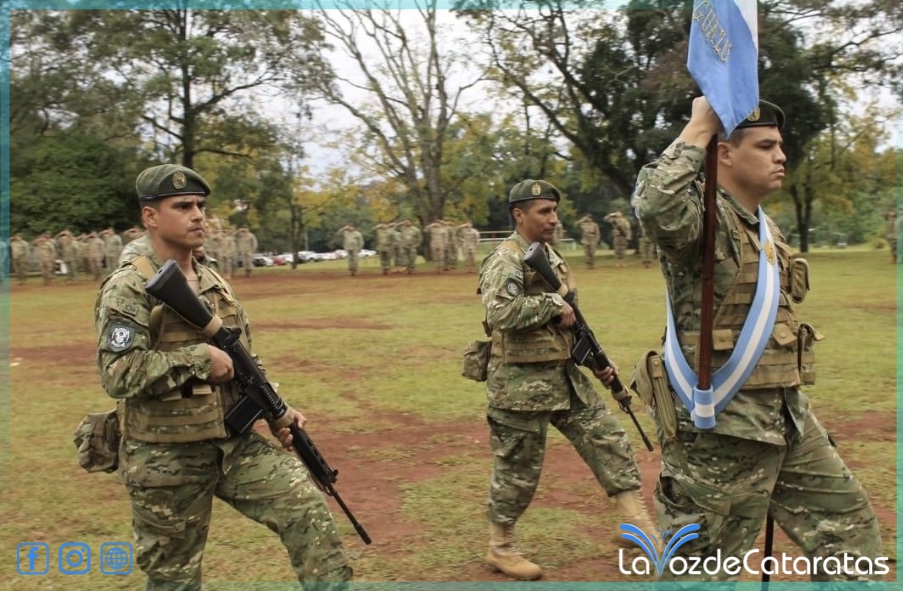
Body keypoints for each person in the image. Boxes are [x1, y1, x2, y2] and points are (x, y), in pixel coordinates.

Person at [633, 98, 883, 582]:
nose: (781, 156)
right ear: (724, 153)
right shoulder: (702, 219)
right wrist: (699, 125)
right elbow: (654, 206)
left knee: (848, 531)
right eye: (766, 146)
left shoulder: (765, 228)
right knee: (702, 574)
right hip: (722, 433)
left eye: (780, 146)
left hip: (786, 421)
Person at [94, 164, 352, 590]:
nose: (198, 215)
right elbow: (117, 373)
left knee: (307, 509)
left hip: (234, 445)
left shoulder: (212, 278)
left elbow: (245, 359)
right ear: (150, 217)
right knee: (174, 578)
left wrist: (279, 412)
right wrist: (197, 359)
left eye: (200, 206)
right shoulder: (128, 287)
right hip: (165, 458)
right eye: (183, 206)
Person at [478, 179, 655, 581]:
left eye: (555, 211)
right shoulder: (505, 259)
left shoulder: (552, 257)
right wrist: (550, 303)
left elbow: (573, 320)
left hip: (564, 376)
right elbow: (500, 314)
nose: (553, 219)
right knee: (518, 471)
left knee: (609, 441)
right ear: (519, 215)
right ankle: (500, 548)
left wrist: (597, 364)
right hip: (519, 386)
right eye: (544, 211)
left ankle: (635, 525)